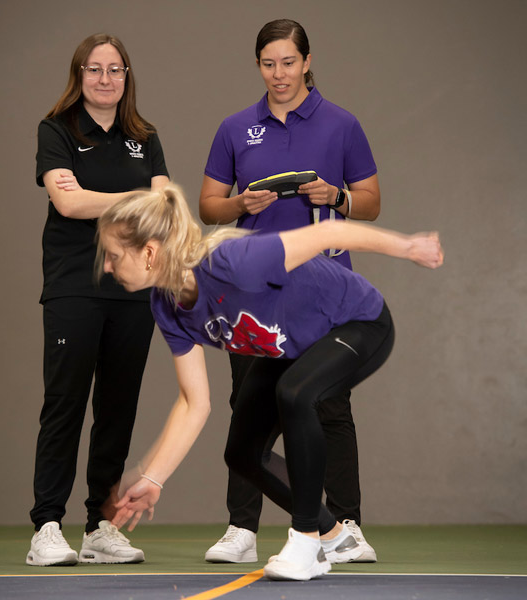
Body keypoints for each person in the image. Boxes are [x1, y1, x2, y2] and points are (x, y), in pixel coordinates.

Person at [96, 183, 443, 581]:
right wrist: (154, 477)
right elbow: (194, 403)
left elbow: (328, 234)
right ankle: (334, 535)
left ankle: (307, 540)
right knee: (243, 452)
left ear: (149, 253)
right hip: (297, 346)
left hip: (358, 322)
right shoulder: (167, 306)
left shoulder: (229, 261)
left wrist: (408, 247)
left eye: (113, 256)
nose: (107, 267)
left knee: (295, 394)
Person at [199, 19, 380, 563]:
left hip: (326, 291)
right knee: (246, 407)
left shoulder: (341, 124)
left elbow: (371, 201)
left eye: (288, 62)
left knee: (328, 404)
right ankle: (242, 531)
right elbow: (209, 205)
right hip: (253, 290)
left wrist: (339, 196)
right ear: (259, 66)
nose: (278, 73)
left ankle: (346, 525)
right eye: (268, 63)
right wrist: (239, 206)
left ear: (306, 62)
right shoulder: (235, 128)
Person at [26, 33, 169, 567]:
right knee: (64, 404)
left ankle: (101, 526)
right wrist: (137, 198)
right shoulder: (56, 129)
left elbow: (164, 209)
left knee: (117, 409)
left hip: (134, 291)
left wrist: (103, 199)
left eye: (115, 70)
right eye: (94, 69)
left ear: (126, 77)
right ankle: (47, 526)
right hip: (73, 286)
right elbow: (67, 202)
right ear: (79, 75)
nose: (105, 78)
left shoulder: (144, 136)